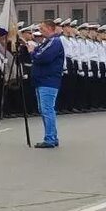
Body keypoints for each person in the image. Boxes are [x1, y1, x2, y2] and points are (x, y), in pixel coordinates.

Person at [31, 19, 65, 149]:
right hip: (42, 80)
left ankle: (50, 138)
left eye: (42, 28)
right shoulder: (47, 42)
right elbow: (38, 52)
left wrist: (32, 52)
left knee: (47, 110)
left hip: (48, 80)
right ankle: (52, 136)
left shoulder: (54, 42)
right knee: (44, 109)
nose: (40, 31)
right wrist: (34, 52)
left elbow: (43, 57)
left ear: (50, 28)